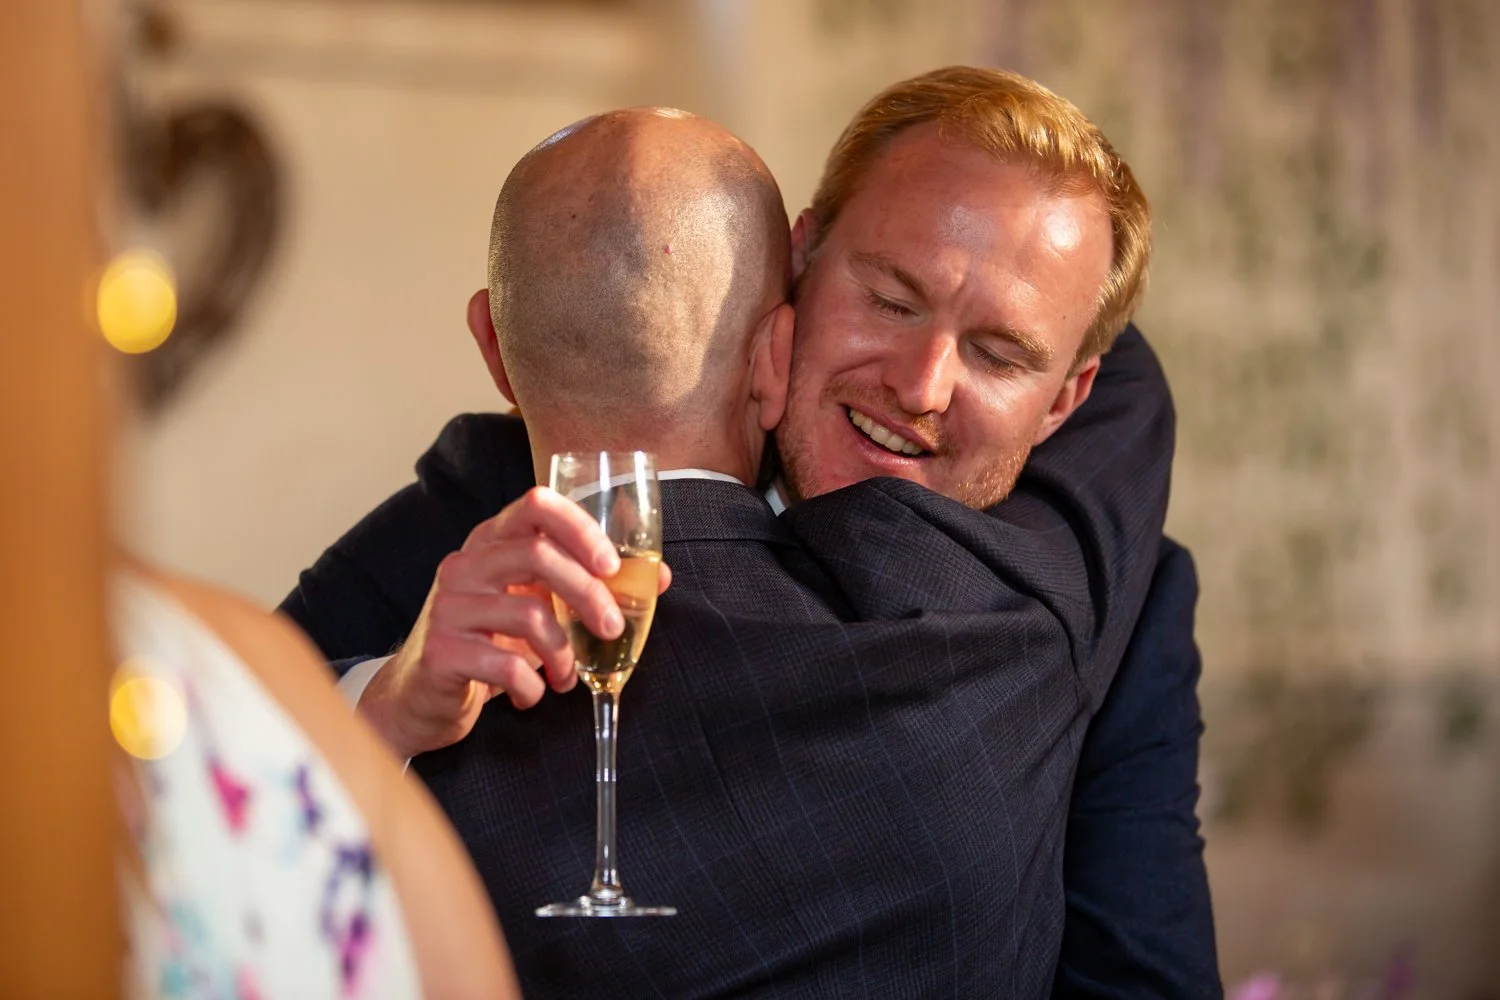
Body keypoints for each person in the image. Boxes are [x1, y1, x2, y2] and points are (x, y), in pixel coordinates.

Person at [284, 69, 1217, 997]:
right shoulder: (493, 499)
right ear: (798, 265)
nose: (921, 385)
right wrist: (380, 707)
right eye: (891, 300)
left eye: (998, 352)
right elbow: (192, 763)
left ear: (1065, 400)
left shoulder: (1092, 593)